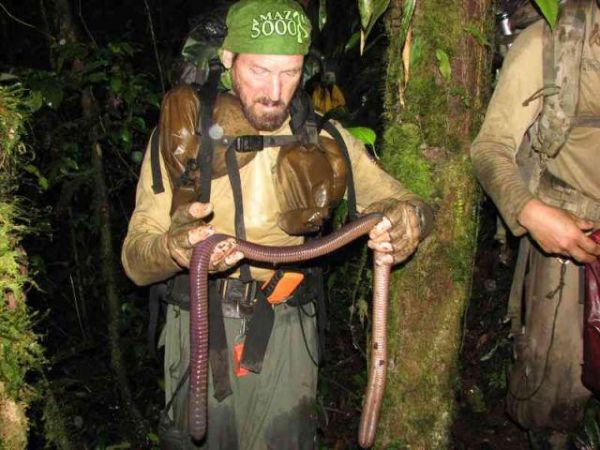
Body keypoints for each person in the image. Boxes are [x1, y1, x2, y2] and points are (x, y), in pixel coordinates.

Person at [122, 0, 433, 448]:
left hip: (290, 328)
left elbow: (407, 201)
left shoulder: (321, 136)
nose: (275, 91)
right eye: (260, 71)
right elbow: (134, 259)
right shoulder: (183, 139)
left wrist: (409, 220)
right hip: (202, 323)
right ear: (228, 60)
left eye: (290, 73)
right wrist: (173, 250)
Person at [471, 0, 600, 448]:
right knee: (554, 394)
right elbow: (490, 148)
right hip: (572, 239)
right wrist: (530, 212)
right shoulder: (547, 44)